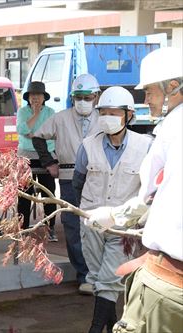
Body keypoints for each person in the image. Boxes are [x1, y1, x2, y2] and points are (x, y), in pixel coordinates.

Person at [86, 47, 183, 333]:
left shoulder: (170, 128)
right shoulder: (90, 144)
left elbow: (149, 193)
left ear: (173, 87)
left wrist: (117, 216)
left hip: (168, 280)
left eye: (150, 92)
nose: (147, 100)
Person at [73, 86, 152, 333]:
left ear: (128, 115)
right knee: (98, 279)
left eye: (113, 112)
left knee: (109, 279)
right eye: (103, 112)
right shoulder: (87, 145)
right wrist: (87, 211)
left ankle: (95, 328)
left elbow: (149, 190)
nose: (107, 116)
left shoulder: (146, 146)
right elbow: (78, 183)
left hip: (123, 228)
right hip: (91, 222)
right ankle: (109, 324)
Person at [32, 73, 101, 294]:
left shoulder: (104, 117)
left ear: (96, 97)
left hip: (97, 179)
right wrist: (49, 162)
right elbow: (38, 136)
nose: (82, 101)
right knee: (72, 225)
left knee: (97, 225)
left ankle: (101, 273)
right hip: (69, 178)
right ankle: (84, 275)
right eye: (78, 97)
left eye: (87, 97)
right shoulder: (61, 118)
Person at [16, 81, 57, 241]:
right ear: (28, 97)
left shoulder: (51, 112)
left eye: (38, 95)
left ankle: (50, 228)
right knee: (24, 193)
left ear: (44, 97)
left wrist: (35, 134)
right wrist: (35, 114)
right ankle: (23, 228)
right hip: (26, 155)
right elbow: (23, 130)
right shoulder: (22, 111)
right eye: (32, 95)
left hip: (46, 154)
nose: (35, 98)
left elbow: (51, 133)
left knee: (49, 192)